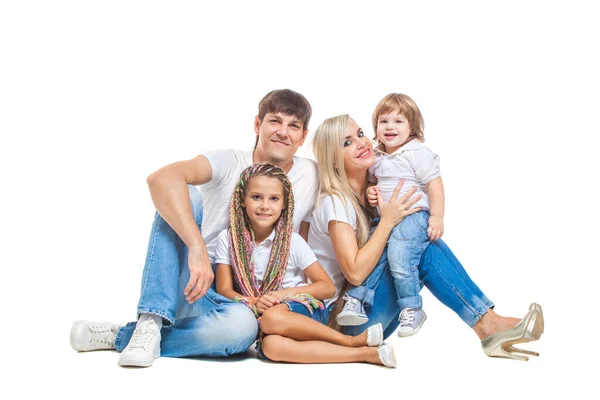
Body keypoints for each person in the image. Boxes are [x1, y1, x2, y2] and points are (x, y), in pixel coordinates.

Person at [69, 89, 320, 367]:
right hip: (198, 279)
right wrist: (196, 246)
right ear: (258, 124)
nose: (283, 132)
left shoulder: (310, 173)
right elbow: (160, 179)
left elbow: (352, 179)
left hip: (243, 302)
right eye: (275, 121)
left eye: (293, 126)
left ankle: (125, 335)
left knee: (239, 331)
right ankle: (151, 320)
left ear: (303, 136)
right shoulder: (228, 162)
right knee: (184, 193)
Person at [308, 114, 544, 361]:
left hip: (369, 317)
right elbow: (355, 273)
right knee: (414, 245)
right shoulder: (335, 202)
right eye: (346, 143)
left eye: (359, 133)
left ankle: (488, 323)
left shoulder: (372, 197)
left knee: (416, 239)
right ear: (333, 159)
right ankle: (488, 325)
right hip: (346, 323)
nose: (361, 143)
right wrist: (387, 221)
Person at [216, 162, 396, 367]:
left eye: (274, 199)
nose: (265, 206)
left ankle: (350, 340)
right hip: (265, 319)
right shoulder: (228, 239)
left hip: (302, 309)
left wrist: (281, 295)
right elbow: (223, 289)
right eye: (256, 197)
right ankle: (364, 354)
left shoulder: (291, 241)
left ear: (284, 204)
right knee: (271, 347)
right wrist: (255, 302)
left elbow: (326, 287)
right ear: (242, 200)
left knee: (272, 318)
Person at [336, 93, 442, 338]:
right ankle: (357, 298)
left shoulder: (417, 153)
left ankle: (412, 307)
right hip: (386, 218)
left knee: (400, 256)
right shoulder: (378, 157)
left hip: (413, 216)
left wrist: (437, 216)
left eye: (398, 121)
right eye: (384, 122)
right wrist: (372, 192)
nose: (390, 127)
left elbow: (435, 185)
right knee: (373, 255)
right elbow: (373, 183)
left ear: (412, 128)